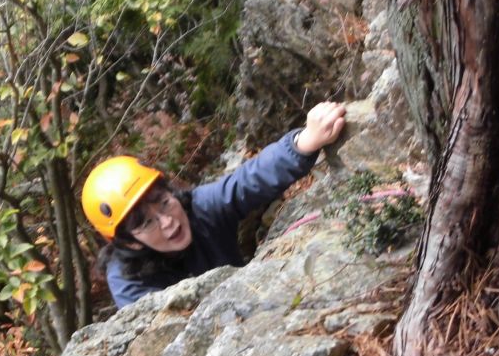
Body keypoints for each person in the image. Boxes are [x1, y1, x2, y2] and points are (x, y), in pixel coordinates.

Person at [82, 101, 347, 308]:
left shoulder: (198, 209)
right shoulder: (130, 282)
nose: (167, 221)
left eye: (163, 202)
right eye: (146, 222)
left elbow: (247, 181)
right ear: (129, 242)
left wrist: (305, 142)